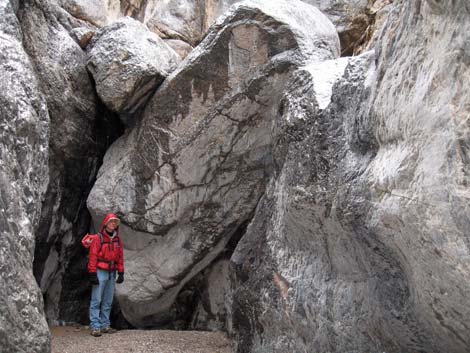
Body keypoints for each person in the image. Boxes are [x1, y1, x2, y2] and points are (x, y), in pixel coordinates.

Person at [87, 213, 124, 337]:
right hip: (100, 271)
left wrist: (121, 271)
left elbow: (120, 257)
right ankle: (95, 327)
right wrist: (92, 273)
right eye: (111, 222)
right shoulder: (98, 238)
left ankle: (105, 325)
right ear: (106, 223)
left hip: (111, 272)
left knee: (108, 300)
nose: (113, 224)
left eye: (115, 222)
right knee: (96, 300)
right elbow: (93, 256)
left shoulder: (117, 240)